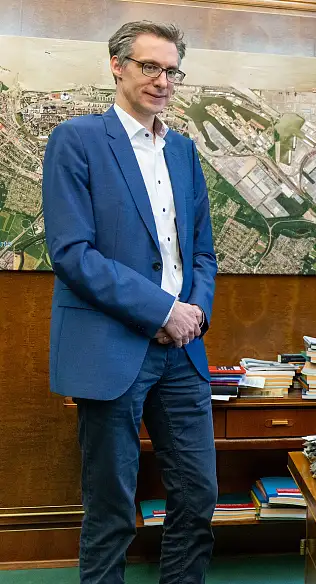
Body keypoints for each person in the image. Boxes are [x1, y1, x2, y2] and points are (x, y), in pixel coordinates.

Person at [42, 21, 218, 584]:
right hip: (111, 348)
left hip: (182, 354)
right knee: (112, 507)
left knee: (198, 498)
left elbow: (203, 254)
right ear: (117, 66)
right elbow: (73, 253)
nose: (162, 80)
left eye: (171, 70)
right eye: (150, 66)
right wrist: (161, 311)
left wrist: (191, 314)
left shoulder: (185, 152)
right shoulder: (77, 140)